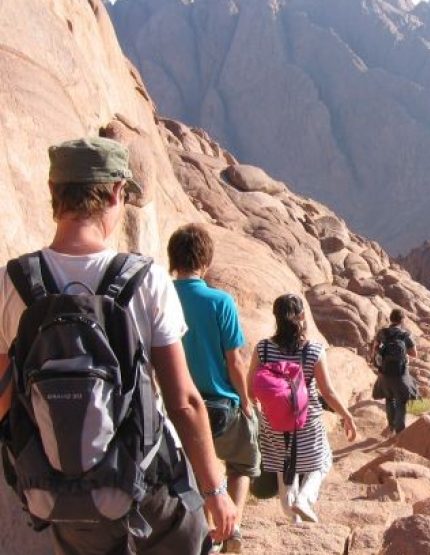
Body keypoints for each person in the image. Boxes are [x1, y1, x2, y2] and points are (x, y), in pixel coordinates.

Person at [0, 137, 235, 554]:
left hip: (58, 496)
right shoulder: (145, 280)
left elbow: (4, 397)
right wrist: (215, 489)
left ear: (54, 191)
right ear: (114, 193)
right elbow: (183, 402)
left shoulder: (12, 282)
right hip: (147, 487)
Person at [168, 223, 259, 553]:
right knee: (242, 464)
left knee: (194, 471)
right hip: (220, 405)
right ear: (205, 262)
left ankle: (210, 530)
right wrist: (245, 402)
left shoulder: (161, 296)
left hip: (175, 406)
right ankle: (231, 527)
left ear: (172, 258)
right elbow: (234, 361)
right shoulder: (220, 301)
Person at [253, 293, 357, 524]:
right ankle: (305, 499)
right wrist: (347, 416)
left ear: (276, 317)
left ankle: (294, 519)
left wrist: (260, 412)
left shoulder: (263, 349)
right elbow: (327, 392)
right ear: (302, 316)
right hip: (305, 419)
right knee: (322, 460)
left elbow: (252, 386)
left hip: (273, 421)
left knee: (283, 466)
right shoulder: (313, 350)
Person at [369, 308, 418, 434]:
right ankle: (400, 433)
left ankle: (391, 428)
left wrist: (377, 362)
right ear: (402, 320)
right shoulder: (405, 334)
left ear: (391, 319)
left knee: (389, 399)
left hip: (385, 372)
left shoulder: (382, 333)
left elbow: (374, 350)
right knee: (401, 401)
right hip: (400, 373)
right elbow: (414, 354)